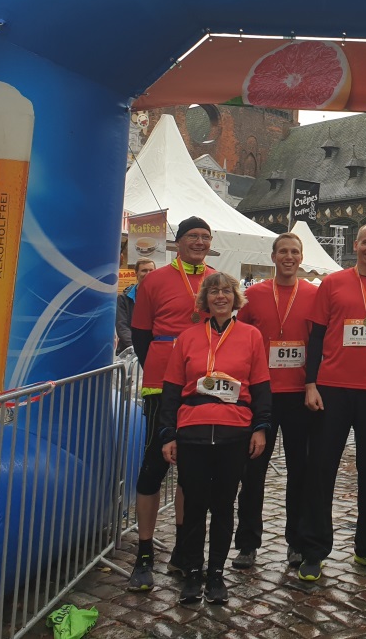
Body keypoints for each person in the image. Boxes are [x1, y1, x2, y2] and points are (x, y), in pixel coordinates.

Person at [298, 224, 366, 581]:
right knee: (321, 470)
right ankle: (314, 550)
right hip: (331, 387)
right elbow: (315, 336)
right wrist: (310, 382)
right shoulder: (332, 283)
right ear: (356, 245)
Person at [159, 272, 271, 604]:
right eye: (213, 292)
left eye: (226, 291)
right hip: (192, 431)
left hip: (234, 432)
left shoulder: (251, 336)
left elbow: (262, 388)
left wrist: (262, 428)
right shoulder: (188, 337)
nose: (220, 297)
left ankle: (217, 574)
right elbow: (171, 391)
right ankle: (192, 574)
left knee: (223, 506)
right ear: (205, 299)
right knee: (194, 506)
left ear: (235, 297)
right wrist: (167, 435)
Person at [127, 216, 215, 591]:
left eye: (205, 237)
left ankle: (184, 549)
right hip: (162, 388)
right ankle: (144, 551)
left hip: (203, 387)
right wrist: (163, 368)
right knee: (153, 467)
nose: (199, 241)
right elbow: (141, 334)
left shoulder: (217, 280)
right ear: (177, 242)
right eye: (192, 236)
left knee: (193, 470)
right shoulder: (156, 280)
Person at [230, 233, 318, 570]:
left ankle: (296, 543)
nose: (289, 257)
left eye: (295, 252)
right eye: (283, 252)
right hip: (261, 395)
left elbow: (320, 343)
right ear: (273, 256)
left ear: (301, 257)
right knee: (253, 472)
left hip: (299, 395)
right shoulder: (253, 294)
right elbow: (240, 343)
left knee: (301, 472)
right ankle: (248, 544)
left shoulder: (313, 294)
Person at [116, 258, 156, 355]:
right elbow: (122, 326)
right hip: (130, 352)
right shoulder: (124, 298)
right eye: (144, 270)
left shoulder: (161, 296)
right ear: (136, 273)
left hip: (154, 349)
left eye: (151, 270)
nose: (148, 273)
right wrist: (135, 347)